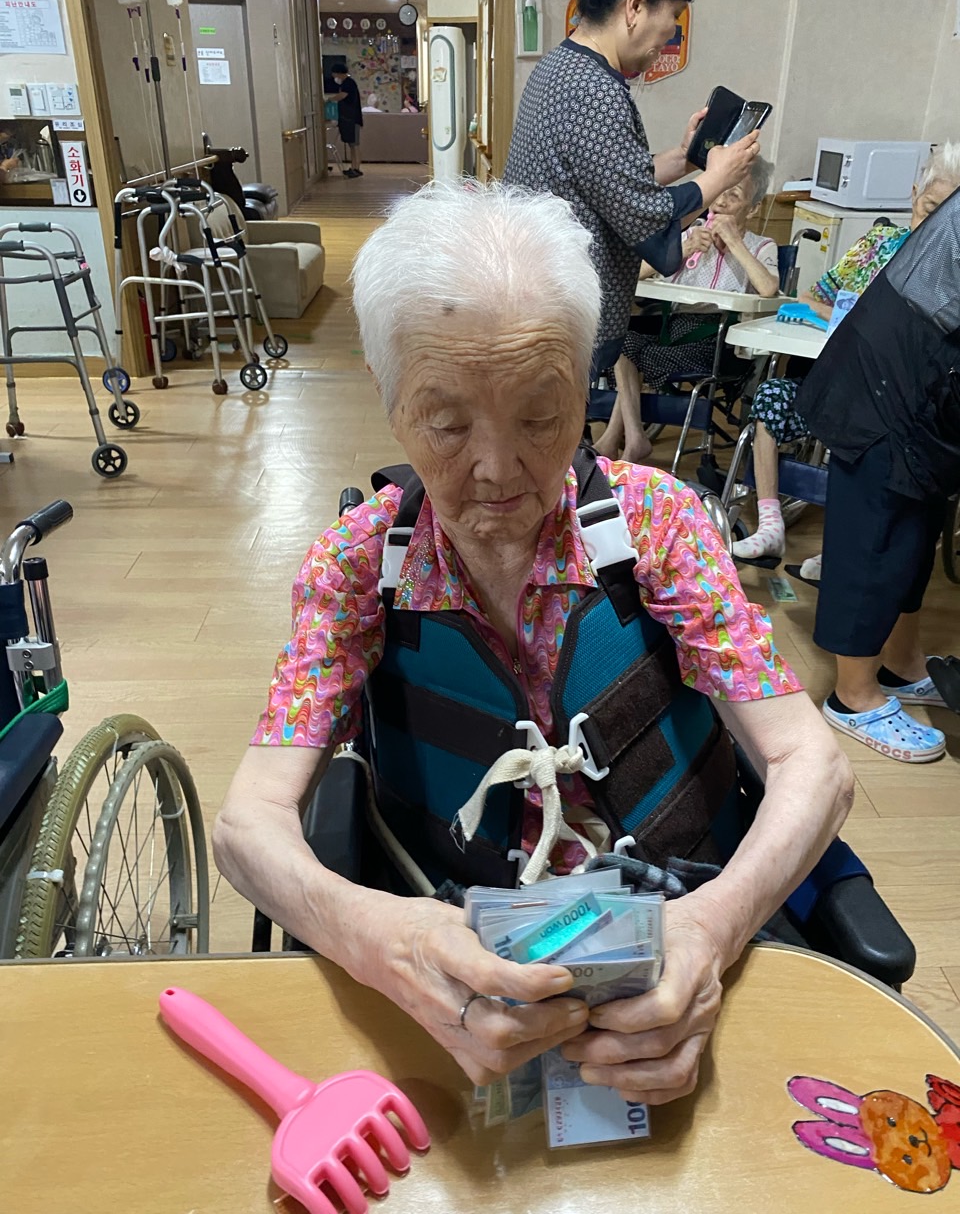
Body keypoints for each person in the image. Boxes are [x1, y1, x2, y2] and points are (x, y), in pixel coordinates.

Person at [215, 182, 853, 1105]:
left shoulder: (657, 525)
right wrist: (379, 936)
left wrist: (710, 932)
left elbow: (812, 763)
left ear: (585, 384)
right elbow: (246, 828)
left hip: (674, 938)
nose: (498, 468)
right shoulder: (355, 568)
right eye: (448, 422)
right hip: (462, 969)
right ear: (390, 402)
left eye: (541, 415)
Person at [504, 0, 760, 386]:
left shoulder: (561, 67)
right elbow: (650, 223)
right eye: (674, 16)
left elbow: (611, 183)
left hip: (536, 308)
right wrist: (717, 179)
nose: (671, 34)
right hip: (561, 324)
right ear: (636, 5)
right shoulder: (595, 90)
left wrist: (684, 158)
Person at [792, 181, 960, 762]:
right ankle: (853, 696)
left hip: (929, 381)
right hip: (894, 380)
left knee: (916, 532)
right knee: (879, 535)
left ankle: (901, 664)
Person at [732, 143, 960, 562]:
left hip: (898, 416)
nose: (933, 229)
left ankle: (841, 550)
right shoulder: (879, 245)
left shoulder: (950, 275)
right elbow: (810, 297)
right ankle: (770, 523)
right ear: (913, 196)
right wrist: (848, 316)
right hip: (837, 383)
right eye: (929, 209)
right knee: (771, 398)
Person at [595, 155, 779, 462]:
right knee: (620, 342)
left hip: (720, 337)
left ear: (753, 208)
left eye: (734, 196)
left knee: (644, 354)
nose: (720, 203)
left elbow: (769, 288)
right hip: (676, 325)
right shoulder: (692, 233)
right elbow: (634, 273)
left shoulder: (761, 246)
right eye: (719, 192)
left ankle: (617, 439)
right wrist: (683, 250)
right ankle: (632, 437)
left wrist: (735, 243)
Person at [328, 62, 364, 177]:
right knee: (352, 145)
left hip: (352, 119)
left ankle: (356, 168)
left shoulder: (349, 83)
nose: (334, 77)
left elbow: (342, 96)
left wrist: (329, 99)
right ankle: (354, 167)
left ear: (339, 73)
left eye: (334, 74)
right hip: (350, 119)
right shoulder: (347, 83)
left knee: (354, 145)